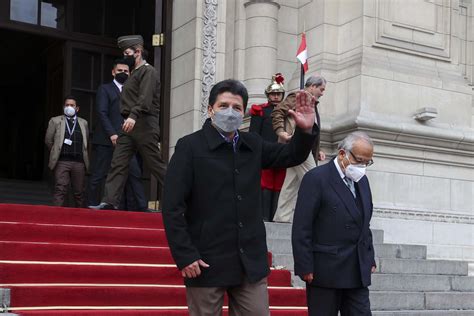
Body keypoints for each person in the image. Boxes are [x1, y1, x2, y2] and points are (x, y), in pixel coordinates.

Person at [162, 79, 319, 316]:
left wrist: (305, 131)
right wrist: (185, 255)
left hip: (250, 262)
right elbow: (172, 206)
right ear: (210, 109)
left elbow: (291, 155)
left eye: (236, 107)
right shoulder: (189, 147)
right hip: (206, 261)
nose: (230, 112)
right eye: (223, 105)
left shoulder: (252, 144)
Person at [292, 131, 377, 316]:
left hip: (357, 270)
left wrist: (369, 256)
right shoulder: (316, 178)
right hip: (325, 270)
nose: (362, 166)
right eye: (360, 160)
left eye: (367, 162)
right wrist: (304, 265)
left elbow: (364, 222)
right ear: (342, 153)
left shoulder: (362, 181)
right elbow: (302, 226)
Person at [91, 35, 167, 210]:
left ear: (138, 52)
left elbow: (145, 98)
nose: (125, 56)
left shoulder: (149, 71)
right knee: (118, 162)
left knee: (155, 164)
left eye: (127, 53)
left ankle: (183, 197)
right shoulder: (134, 74)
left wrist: (133, 115)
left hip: (144, 124)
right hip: (128, 125)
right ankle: (109, 201)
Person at [87, 59, 147, 211]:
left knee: (134, 174)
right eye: (120, 70)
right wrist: (112, 134)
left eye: (126, 71)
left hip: (127, 141)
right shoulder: (105, 89)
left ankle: (142, 207)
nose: (123, 73)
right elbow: (102, 113)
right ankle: (92, 204)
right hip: (107, 140)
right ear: (113, 72)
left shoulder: (133, 93)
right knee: (99, 174)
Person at [271, 75, 327, 222]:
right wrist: (281, 132)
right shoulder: (297, 97)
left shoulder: (312, 103)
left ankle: (281, 217)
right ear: (313, 86)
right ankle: (321, 216)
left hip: (303, 147)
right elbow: (277, 112)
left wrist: (318, 149)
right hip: (296, 145)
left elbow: (312, 130)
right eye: (321, 89)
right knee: (314, 179)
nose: (323, 92)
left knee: (291, 183)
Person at [248, 73, 286, 221]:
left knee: (279, 186)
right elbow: (253, 134)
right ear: (268, 95)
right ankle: (264, 217)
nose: (276, 97)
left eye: (278, 94)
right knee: (266, 185)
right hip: (265, 153)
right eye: (273, 94)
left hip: (282, 153)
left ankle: (276, 218)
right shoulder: (261, 111)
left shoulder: (287, 113)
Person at [45, 96, 89, 207]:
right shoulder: (55, 121)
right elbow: (48, 140)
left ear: (77, 108)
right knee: (60, 189)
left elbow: (86, 141)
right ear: (64, 107)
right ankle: (56, 217)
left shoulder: (84, 123)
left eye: (72, 105)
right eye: (67, 105)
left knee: (79, 192)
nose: (69, 107)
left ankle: (81, 218)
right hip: (62, 161)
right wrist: (56, 152)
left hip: (79, 162)